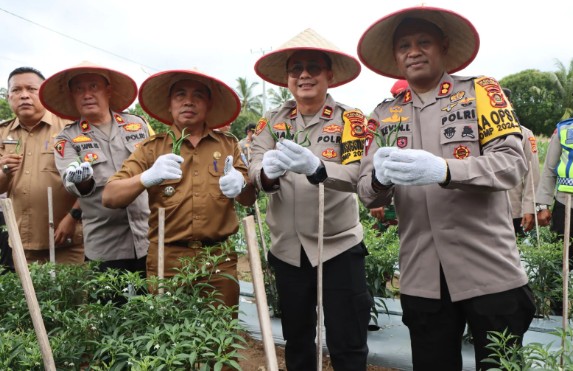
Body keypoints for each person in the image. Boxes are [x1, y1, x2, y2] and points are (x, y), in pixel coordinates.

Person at [357, 6, 536, 370]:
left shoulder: (480, 93)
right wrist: (380, 178)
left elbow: (512, 164)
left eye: (424, 41)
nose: (413, 51)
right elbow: (366, 191)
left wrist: (444, 169)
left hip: (489, 270)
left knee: (500, 365)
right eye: (404, 45)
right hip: (422, 277)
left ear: (443, 47)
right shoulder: (384, 115)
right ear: (396, 55)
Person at [249, 28, 372, 371]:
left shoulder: (350, 120)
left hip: (338, 247)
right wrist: (265, 172)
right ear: (287, 78)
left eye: (314, 68)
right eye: (296, 68)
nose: (304, 75)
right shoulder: (271, 123)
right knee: (298, 339)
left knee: (348, 341)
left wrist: (319, 167)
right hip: (287, 249)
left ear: (329, 75)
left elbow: (357, 175)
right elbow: (255, 166)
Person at [102, 69, 256, 313]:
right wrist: (146, 177)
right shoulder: (151, 149)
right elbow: (110, 196)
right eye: (180, 95)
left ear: (208, 104)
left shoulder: (228, 145)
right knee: (168, 338)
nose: (188, 101)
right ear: (170, 104)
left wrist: (241, 184)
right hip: (168, 260)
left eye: (198, 95)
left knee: (219, 338)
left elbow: (249, 199)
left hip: (218, 260)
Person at [39, 61, 150, 276]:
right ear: (72, 96)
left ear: (108, 91)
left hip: (148, 238)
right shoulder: (66, 138)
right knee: (110, 307)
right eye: (79, 89)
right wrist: (82, 180)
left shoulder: (137, 125)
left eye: (93, 87)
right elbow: (74, 184)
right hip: (105, 246)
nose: (86, 94)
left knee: (153, 306)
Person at [0, 67, 84, 265]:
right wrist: (4, 170)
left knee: (69, 296)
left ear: (44, 94)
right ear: (8, 95)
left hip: (67, 240)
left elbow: (94, 179)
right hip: (22, 243)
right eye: (17, 90)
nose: (24, 96)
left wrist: (73, 217)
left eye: (31, 89)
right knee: (27, 296)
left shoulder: (70, 128)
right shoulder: (3, 134)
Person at [536, 88, 573, 270]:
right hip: (567, 205)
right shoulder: (564, 129)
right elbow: (549, 169)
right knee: (561, 264)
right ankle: (558, 300)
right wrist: (542, 205)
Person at [369, 79, 408, 228]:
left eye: (404, 95)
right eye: (396, 96)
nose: (401, 100)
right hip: (393, 195)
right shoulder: (385, 119)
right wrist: (377, 198)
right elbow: (373, 161)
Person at [503, 88, 540, 236]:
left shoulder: (524, 133)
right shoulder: (475, 132)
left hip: (514, 210)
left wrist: (529, 208)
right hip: (481, 212)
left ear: (510, 104)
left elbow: (533, 174)